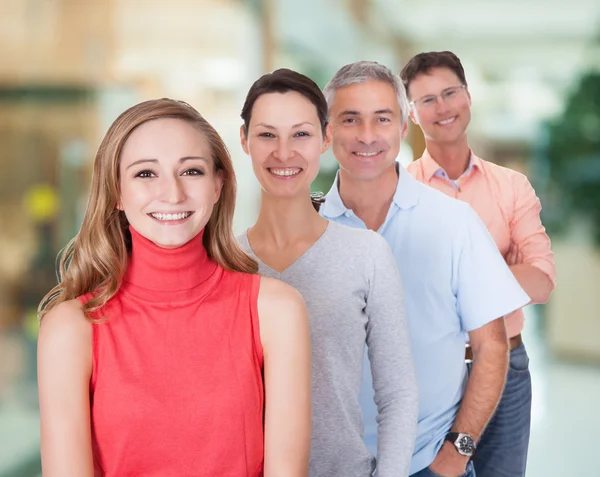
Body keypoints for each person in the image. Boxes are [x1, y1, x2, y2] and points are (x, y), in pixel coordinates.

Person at [37, 98, 311, 477]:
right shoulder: (71, 328)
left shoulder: (275, 310)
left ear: (218, 185)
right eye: (146, 174)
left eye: (192, 171)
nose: (173, 193)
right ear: (116, 191)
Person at [321, 61, 531, 477]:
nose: (366, 135)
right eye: (350, 119)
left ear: (402, 128)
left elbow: (491, 349)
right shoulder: (309, 231)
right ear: (328, 131)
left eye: (382, 119)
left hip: (428, 465)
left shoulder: (455, 223)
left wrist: (458, 454)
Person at [237, 68, 418, 477]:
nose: (284, 153)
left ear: (325, 139)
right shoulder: (223, 261)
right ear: (244, 140)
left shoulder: (366, 254)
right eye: (267, 135)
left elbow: (398, 393)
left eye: (300, 134)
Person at [401, 51, 556, 477]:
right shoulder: (400, 191)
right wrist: (500, 275)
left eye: (450, 93)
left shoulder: (511, 186)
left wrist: (448, 280)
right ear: (412, 114)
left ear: (468, 97)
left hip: (506, 371)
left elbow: (541, 281)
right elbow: (400, 290)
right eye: (427, 100)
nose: (443, 107)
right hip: (430, 376)